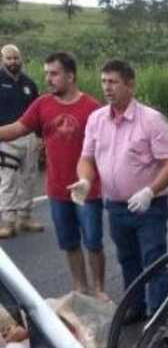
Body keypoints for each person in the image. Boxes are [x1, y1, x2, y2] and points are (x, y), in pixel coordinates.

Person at [75, 60, 168, 323]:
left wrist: (149, 191)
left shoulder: (151, 120)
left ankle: (158, 315)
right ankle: (135, 307)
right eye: (103, 82)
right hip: (116, 205)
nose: (107, 88)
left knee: (153, 260)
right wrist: (86, 181)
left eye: (113, 82)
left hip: (149, 206)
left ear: (130, 85)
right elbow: (86, 158)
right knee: (127, 259)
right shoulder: (97, 119)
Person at [0, 52, 106, 298]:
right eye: (47, 73)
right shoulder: (42, 105)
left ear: (70, 76)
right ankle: (80, 288)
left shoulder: (92, 108)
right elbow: (17, 128)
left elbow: (107, 146)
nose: (48, 78)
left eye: (54, 74)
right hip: (57, 190)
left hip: (86, 189)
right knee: (69, 243)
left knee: (93, 242)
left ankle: (99, 290)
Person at [0, 44, 43, 238]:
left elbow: (39, 112)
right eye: (9, 58)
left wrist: (41, 136)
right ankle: (7, 221)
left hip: (29, 138)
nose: (13, 62)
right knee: (8, 180)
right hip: (5, 138)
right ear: (2, 60)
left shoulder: (29, 83)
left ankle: (25, 217)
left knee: (29, 178)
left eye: (16, 58)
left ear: (21, 59)